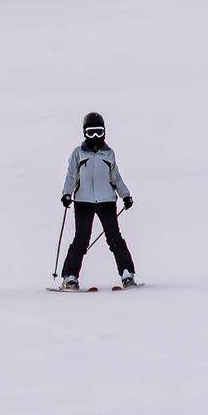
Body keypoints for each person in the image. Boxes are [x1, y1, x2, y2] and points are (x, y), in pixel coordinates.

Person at [59, 112, 135, 290]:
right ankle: (70, 276)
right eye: (91, 132)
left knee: (114, 237)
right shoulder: (78, 153)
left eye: (98, 132)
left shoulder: (108, 153)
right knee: (81, 239)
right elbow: (71, 176)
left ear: (104, 132)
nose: (95, 136)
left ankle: (127, 273)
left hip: (106, 201)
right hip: (83, 202)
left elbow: (115, 177)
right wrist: (67, 193)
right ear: (84, 133)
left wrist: (125, 195)